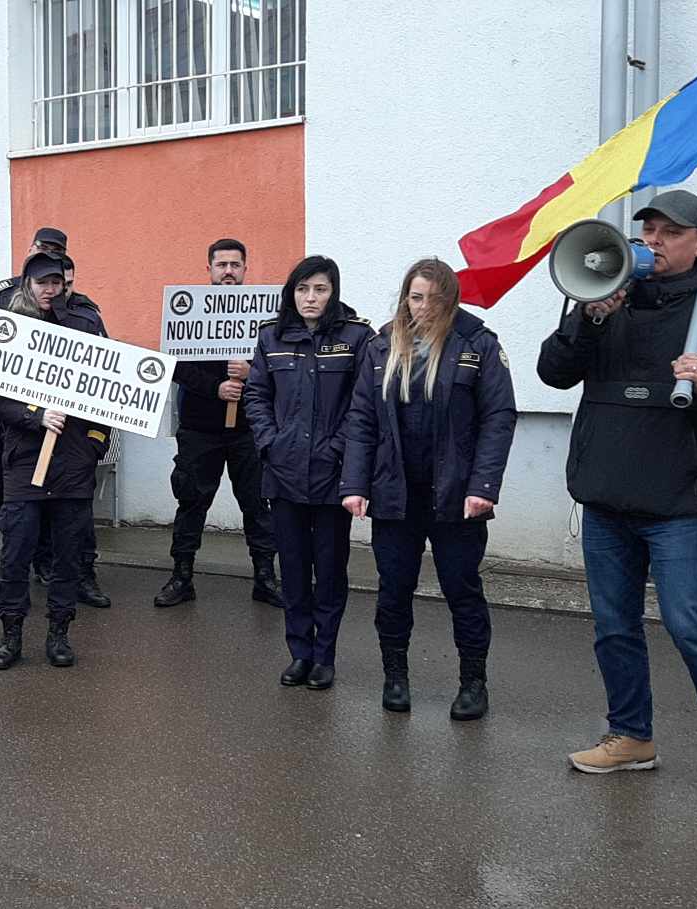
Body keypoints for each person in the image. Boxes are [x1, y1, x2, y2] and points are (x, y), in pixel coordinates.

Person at [540, 190, 697, 793]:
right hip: (605, 498)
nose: (652, 242)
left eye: (670, 233)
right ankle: (631, 736)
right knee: (614, 627)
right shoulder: (605, 305)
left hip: (677, 503)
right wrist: (587, 318)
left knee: (688, 622)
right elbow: (553, 371)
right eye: (647, 230)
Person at [339, 258, 516, 721]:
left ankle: (473, 682)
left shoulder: (477, 344)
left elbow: (499, 419)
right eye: (416, 297)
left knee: (462, 587)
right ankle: (395, 676)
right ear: (405, 298)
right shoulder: (381, 347)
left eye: (435, 299)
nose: (424, 308)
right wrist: (355, 483)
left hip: (457, 495)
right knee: (394, 588)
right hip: (395, 493)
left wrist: (484, 486)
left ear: (451, 301)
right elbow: (361, 420)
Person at [243, 256, 374, 690]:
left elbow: (363, 405)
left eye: (319, 289)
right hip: (283, 475)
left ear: (333, 291)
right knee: (294, 569)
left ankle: (325, 655)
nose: (310, 298)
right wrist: (269, 441)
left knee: (330, 569)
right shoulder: (272, 337)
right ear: (291, 293)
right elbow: (256, 395)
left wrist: (339, 450)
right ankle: (299, 652)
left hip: (334, 476)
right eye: (302, 289)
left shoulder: (356, 338)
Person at [0, 250, 111, 670]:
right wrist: (33, 416)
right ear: (28, 285)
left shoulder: (87, 324)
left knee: (67, 555)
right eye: (42, 283)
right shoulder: (9, 329)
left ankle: (59, 633)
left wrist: (93, 442)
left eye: (56, 282)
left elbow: (110, 392)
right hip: (24, 461)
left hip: (73, 462)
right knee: (16, 551)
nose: (50, 290)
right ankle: (11, 634)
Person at [155, 239, 281, 608]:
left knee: (257, 504)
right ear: (208, 270)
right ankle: (182, 576)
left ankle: (265, 576)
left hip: (249, 431)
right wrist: (216, 387)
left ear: (245, 269)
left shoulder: (267, 318)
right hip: (199, 429)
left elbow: (283, 366)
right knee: (191, 501)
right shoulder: (188, 312)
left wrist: (252, 370)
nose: (228, 271)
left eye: (235, 265)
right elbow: (176, 365)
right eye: (221, 264)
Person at [0, 226, 67, 587]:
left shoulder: (72, 307)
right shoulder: (2, 296)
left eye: (55, 252)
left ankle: (43, 562)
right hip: (3, 424)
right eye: (41, 248)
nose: (47, 255)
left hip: (51, 425)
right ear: (30, 250)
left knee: (46, 500)